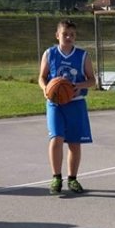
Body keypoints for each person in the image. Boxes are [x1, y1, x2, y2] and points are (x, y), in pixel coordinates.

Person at [39, 19, 94, 194]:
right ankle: (56, 177)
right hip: (55, 103)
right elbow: (42, 77)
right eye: (65, 34)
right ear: (57, 35)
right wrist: (45, 88)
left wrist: (80, 86)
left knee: (74, 144)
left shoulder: (83, 55)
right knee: (56, 138)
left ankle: (72, 179)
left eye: (72, 34)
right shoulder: (50, 53)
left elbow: (92, 80)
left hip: (75, 104)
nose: (69, 37)